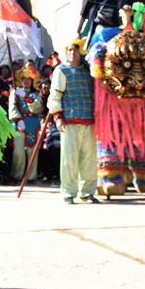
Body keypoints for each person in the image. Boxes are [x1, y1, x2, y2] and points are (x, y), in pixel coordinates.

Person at [48, 40, 97, 204]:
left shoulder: (88, 71)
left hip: (89, 120)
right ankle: (68, 192)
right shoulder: (61, 71)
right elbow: (55, 95)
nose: (73, 53)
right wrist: (58, 117)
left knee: (89, 159)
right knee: (69, 159)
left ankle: (88, 192)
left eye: (75, 50)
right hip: (69, 120)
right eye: (69, 50)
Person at [8, 64, 44, 185]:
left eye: (29, 79)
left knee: (32, 151)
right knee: (18, 151)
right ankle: (17, 175)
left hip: (33, 123)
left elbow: (36, 108)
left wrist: (26, 97)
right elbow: (12, 107)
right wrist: (17, 120)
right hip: (19, 123)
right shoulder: (15, 92)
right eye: (24, 78)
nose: (26, 81)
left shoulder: (37, 94)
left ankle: (31, 177)